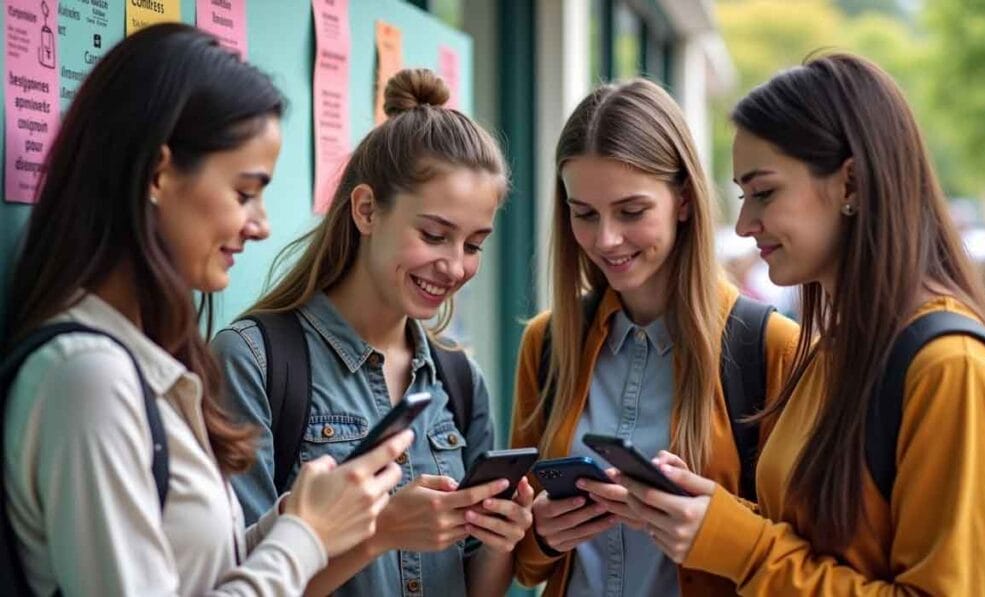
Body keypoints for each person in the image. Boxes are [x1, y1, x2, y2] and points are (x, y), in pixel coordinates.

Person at [1, 24, 411, 596]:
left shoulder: (143, 362)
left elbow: (194, 575)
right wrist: (303, 537)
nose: (260, 224)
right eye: (244, 192)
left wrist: (297, 523)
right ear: (158, 174)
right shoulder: (88, 379)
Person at [614, 53, 985, 594]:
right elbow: (817, 541)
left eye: (764, 192)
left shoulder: (949, 368)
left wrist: (743, 546)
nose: (743, 223)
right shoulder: (835, 347)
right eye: (742, 196)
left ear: (850, 184)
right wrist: (714, 516)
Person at [211, 68, 532, 597]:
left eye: (474, 245)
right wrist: (380, 534)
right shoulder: (253, 361)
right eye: (434, 234)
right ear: (365, 210)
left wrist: (501, 539)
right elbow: (236, 582)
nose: (454, 267)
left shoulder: (459, 380)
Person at [508, 78, 799, 596]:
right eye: (584, 214)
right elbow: (521, 561)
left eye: (632, 211)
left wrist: (711, 527)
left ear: (684, 200)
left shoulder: (772, 347)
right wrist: (541, 537)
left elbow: (804, 554)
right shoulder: (546, 343)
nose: (606, 239)